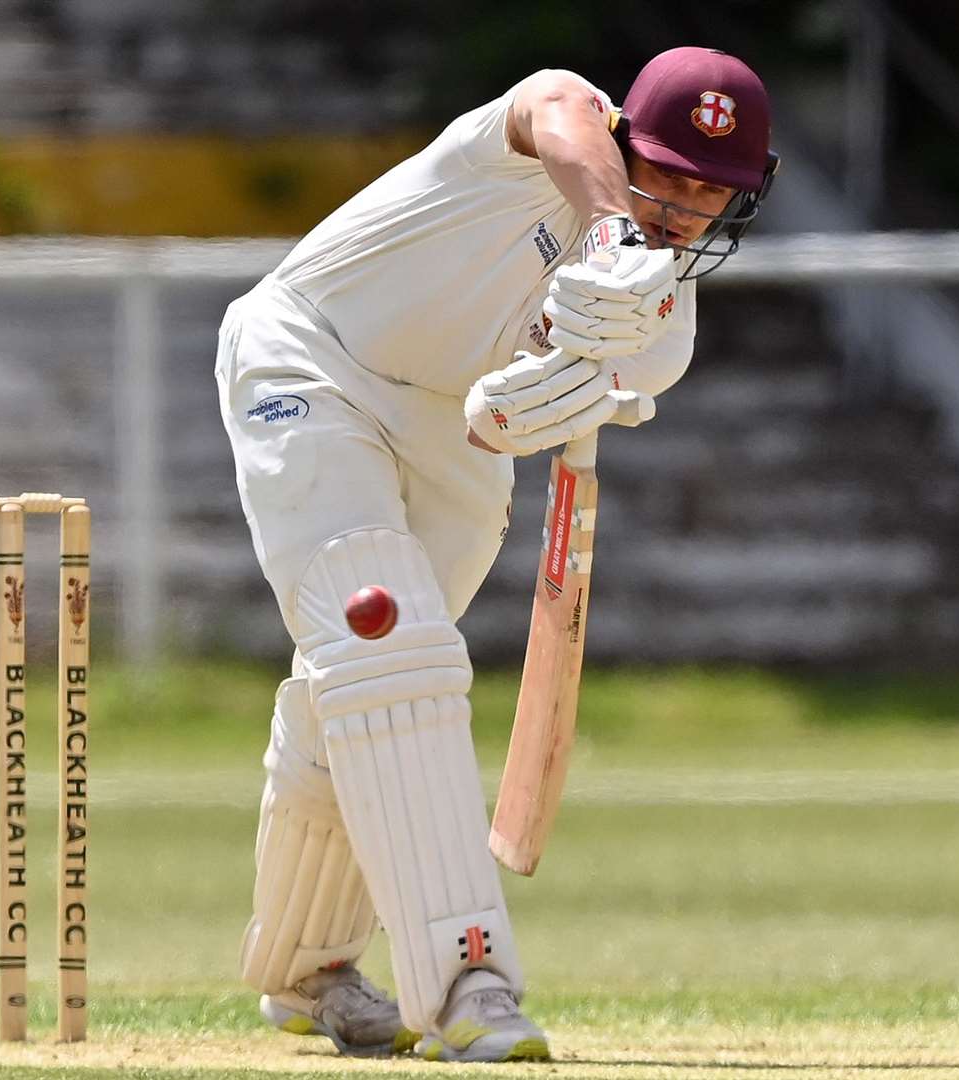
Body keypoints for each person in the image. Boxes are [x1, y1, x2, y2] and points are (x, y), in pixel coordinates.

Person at [215, 46, 777, 1062]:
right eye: (669, 175)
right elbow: (557, 113)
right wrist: (609, 226)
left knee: (359, 685)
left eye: (713, 193)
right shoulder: (552, 133)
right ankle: (468, 982)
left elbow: (514, 416)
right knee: (381, 635)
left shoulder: (662, 325)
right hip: (312, 355)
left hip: (455, 445)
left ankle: (307, 965)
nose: (684, 210)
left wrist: (527, 409)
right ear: (622, 143)